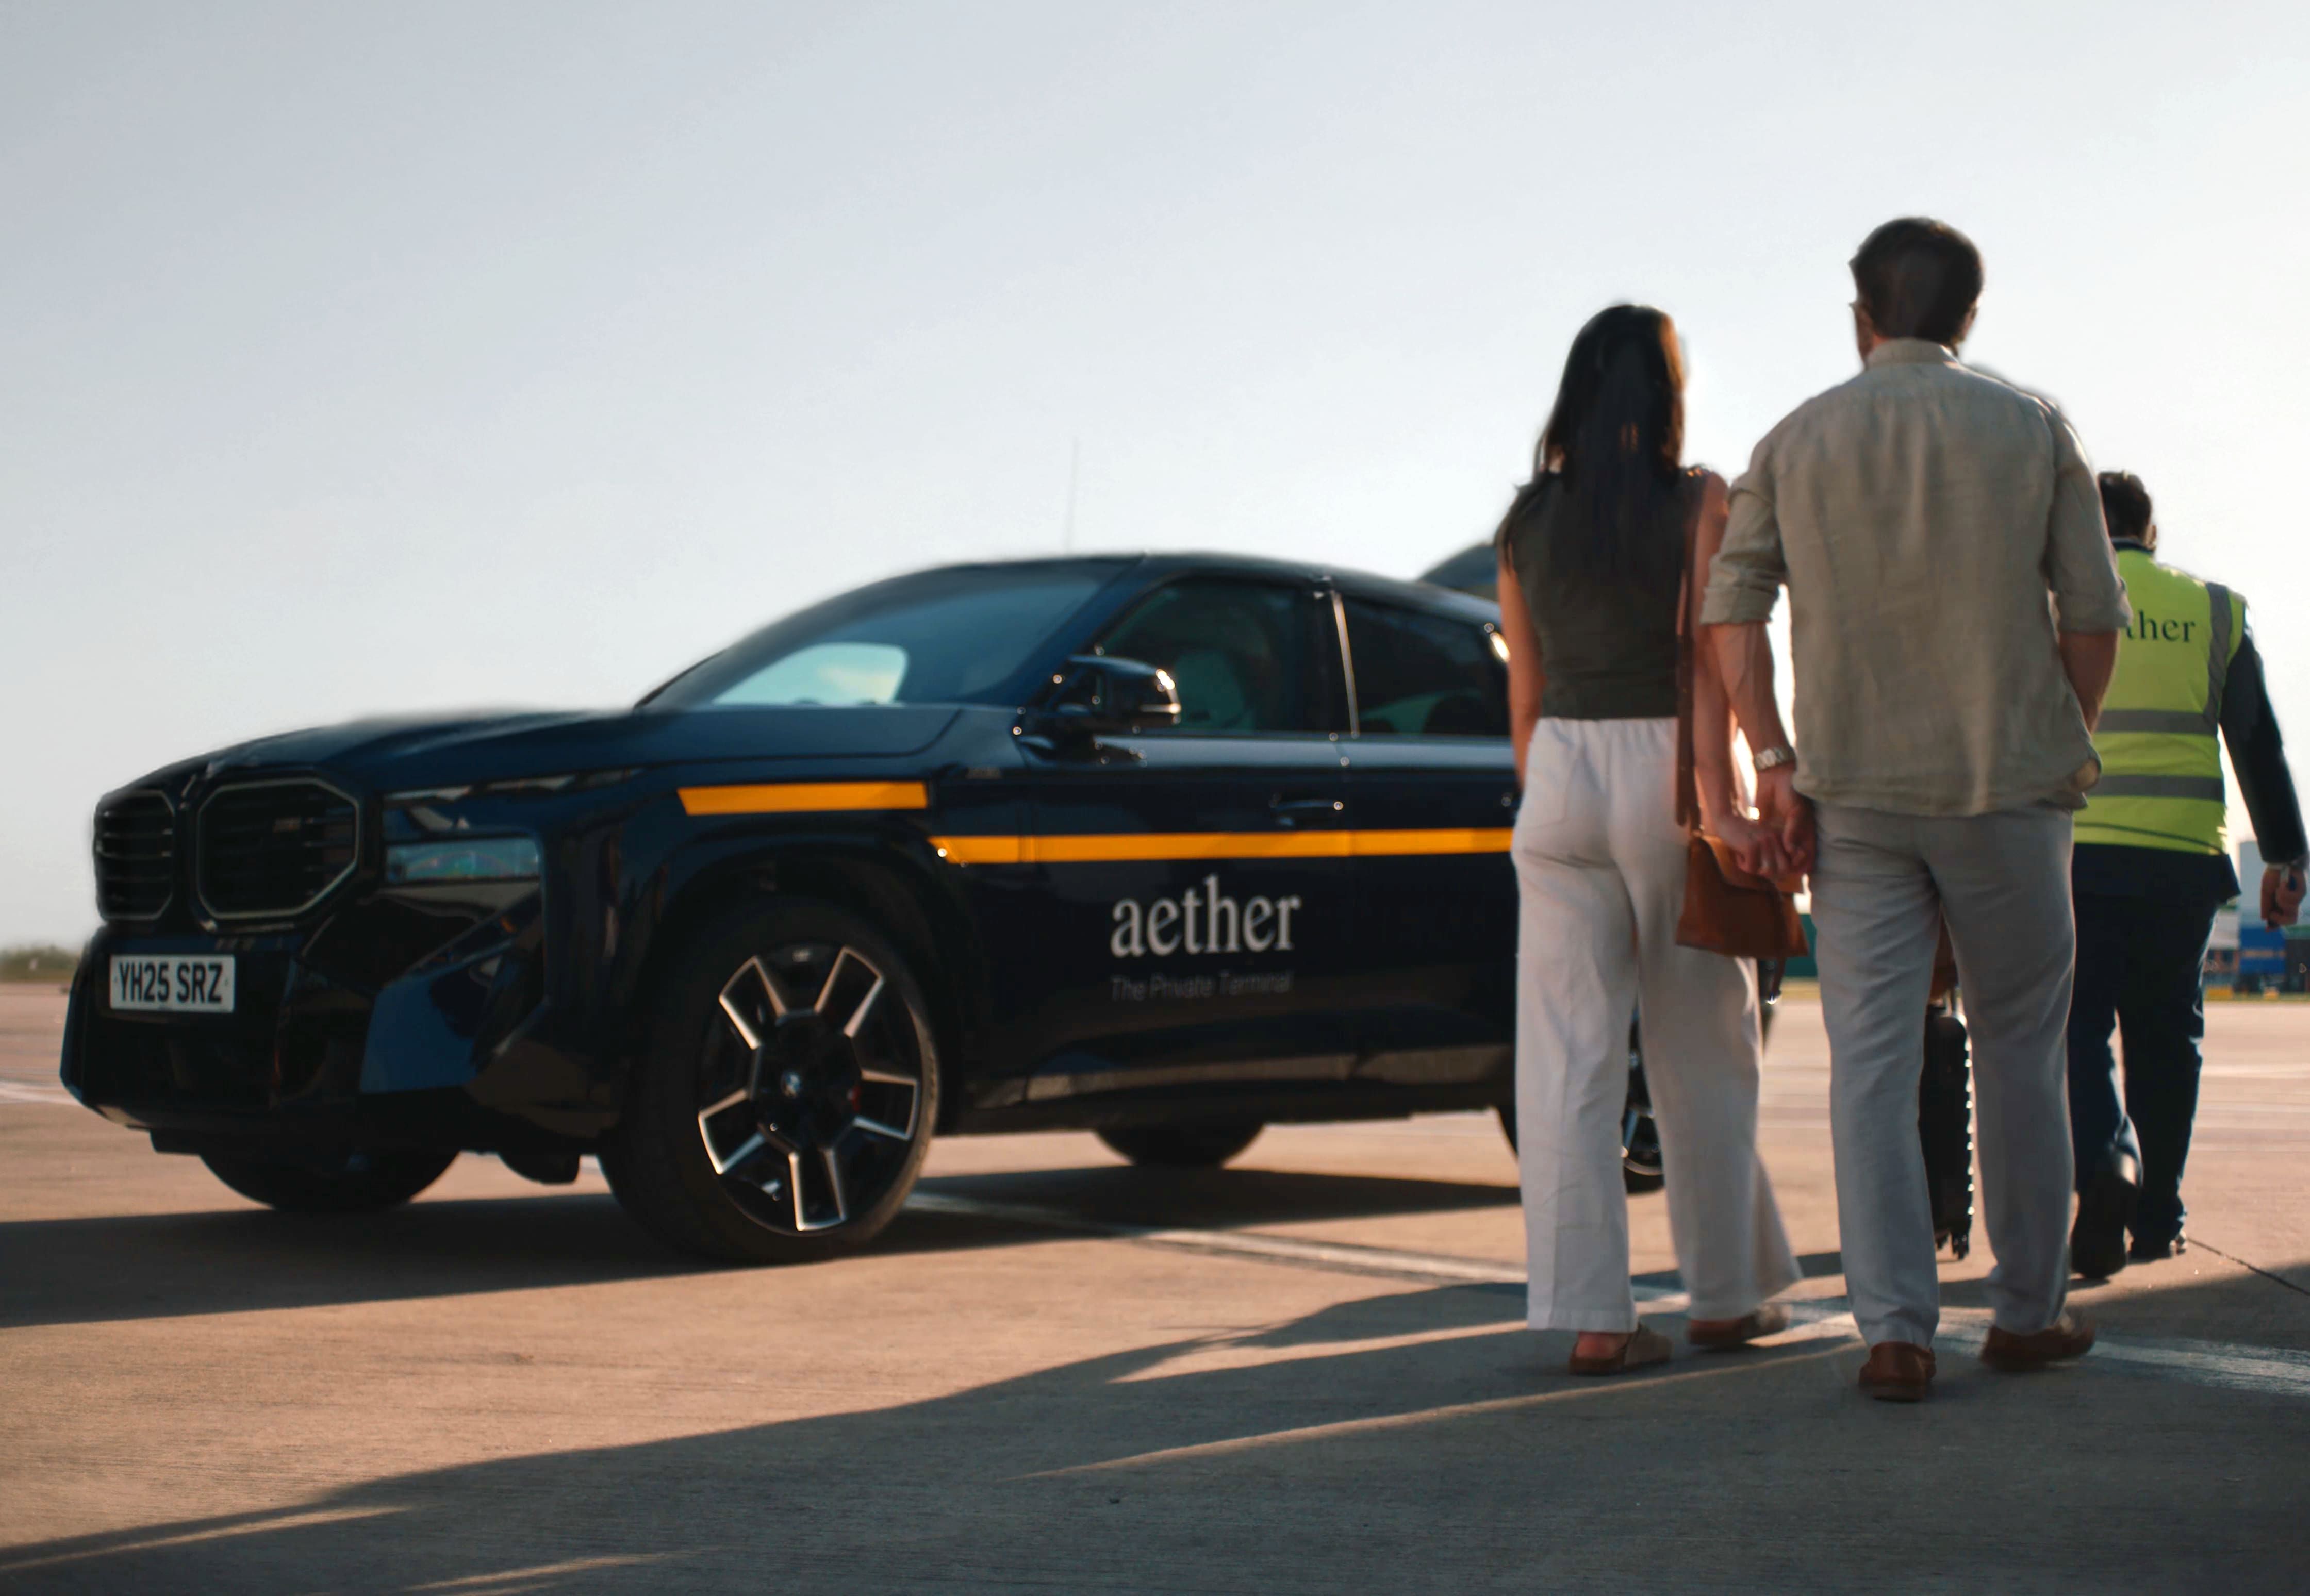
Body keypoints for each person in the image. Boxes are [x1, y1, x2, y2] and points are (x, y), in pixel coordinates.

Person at [1700, 218, 2134, 1403]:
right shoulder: (2032, 427)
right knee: (2020, 1048)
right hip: (2008, 789)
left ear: (1860, 315)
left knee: (1870, 1065)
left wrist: (1773, 755)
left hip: (1852, 799)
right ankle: (2026, 1312)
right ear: (1967, 319)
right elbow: (2092, 616)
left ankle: (1894, 1331)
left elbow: (1729, 616)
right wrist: (2058, 732)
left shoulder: (1792, 441)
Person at [1494, 304, 1800, 1377]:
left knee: (1568, 1063)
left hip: (1556, 786)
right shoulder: (1695, 500)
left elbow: (1523, 700)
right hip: (1660, 775)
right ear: (1664, 397)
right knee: (1701, 1049)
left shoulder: (1525, 522)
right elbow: (1718, 652)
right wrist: (1740, 788)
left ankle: (1594, 1316)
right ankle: (1722, 1296)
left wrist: (1554, 797)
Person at [2065, 471, 2307, 1277]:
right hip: (2182, 863)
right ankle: (2158, 1216)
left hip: (2078, 856)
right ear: (2151, 532)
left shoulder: (2057, 604)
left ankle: (2106, 1164)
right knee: (2169, 1039)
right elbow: (2259, 743)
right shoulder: (2215, 608)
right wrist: (2287, 857)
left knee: (2077, 1027)